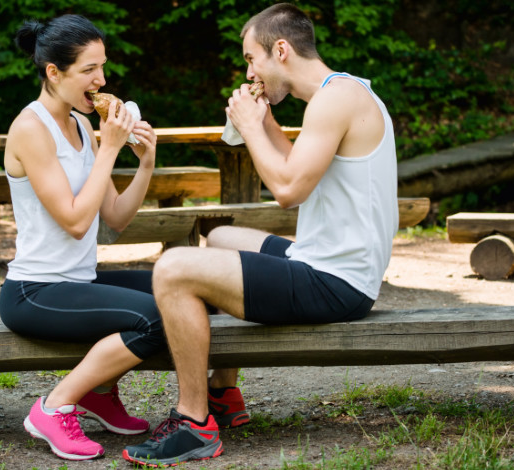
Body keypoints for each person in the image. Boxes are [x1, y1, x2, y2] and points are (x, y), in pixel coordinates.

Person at [123, 3, 399, 466]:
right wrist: (267, 124)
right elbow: (302, 169)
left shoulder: (336, 99)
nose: (248, 70)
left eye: (251, 59)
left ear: (281, 50)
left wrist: (252, 129)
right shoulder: (342, 93)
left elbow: (289, 190)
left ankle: (193, 422)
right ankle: (223, 392)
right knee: (224, 239)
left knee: (173, 267)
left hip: (336, 283)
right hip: (327, 262)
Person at [0, 14, 164, 462]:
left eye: (103, 68)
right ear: (54, 72)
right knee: (157, 320)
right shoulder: (31, 129)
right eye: (89, 70)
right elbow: (74, 221)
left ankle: (100, 392)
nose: (101, 80)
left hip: (80, 280)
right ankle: (54, 406)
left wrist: (144, 162)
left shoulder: (79, 126)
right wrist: (109, 147)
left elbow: (115, 216)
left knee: (180, 289)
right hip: (35, 291)